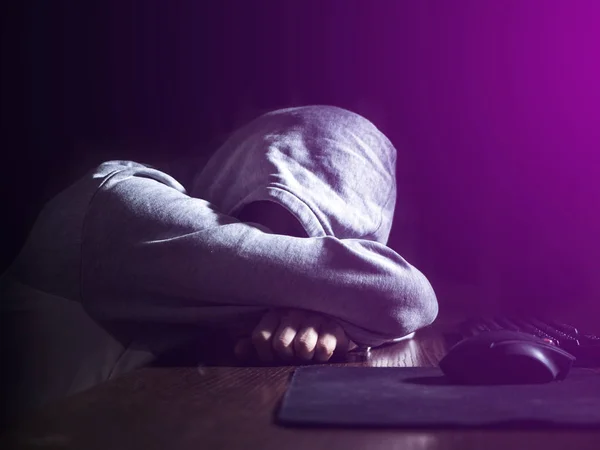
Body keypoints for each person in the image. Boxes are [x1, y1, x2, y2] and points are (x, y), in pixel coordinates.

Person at [0, 105, 438, 417]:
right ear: (239, 173)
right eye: (270, 225)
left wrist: (325, 309)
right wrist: (344, 304)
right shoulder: (116, 204)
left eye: (326, 248)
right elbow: (403, 296)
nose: (287, 269)